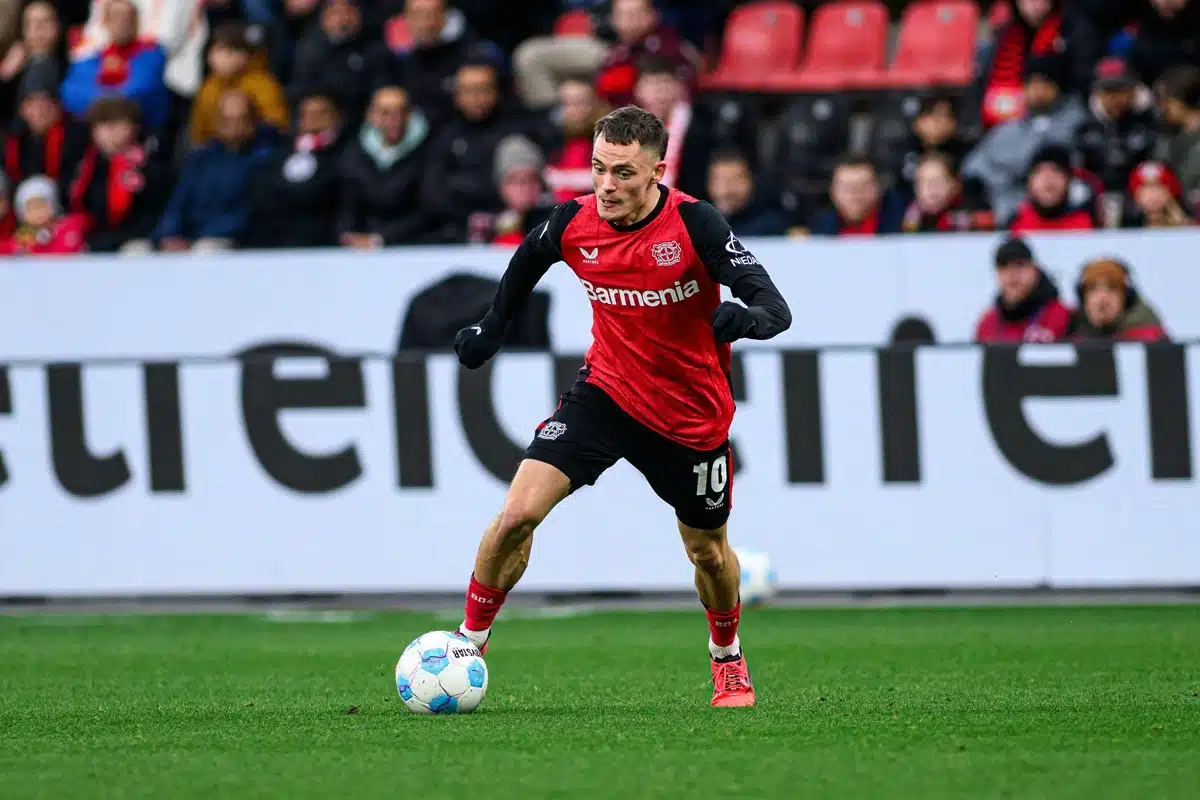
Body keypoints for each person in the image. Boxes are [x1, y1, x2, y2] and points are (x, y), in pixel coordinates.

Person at [450, 105, 791, 708]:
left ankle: (727, 657)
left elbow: (774, 303)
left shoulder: (696, 224)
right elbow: (527, 261)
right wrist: (491, 329)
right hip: (605, 394)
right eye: (599, 169)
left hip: (690, 419)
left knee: (707, 551)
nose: (607, 186)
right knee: (515, 517)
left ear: (658, 171)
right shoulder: (573, 221)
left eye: (624, 174)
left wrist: (749, 318)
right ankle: (464, 648)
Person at [975, 235, 1072, 342]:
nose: (1011, 274)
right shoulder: (987, 324)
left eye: (1019, 265)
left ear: (1034, 270)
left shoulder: (1060, 315)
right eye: (1004, 267)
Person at [1070, 258, 1167, 341]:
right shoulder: (1071, 332)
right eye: (1092, 289)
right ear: (1083, 298)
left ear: (1126, 297)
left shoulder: (1149, 337)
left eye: (1112, 289)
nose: (1102, 297)